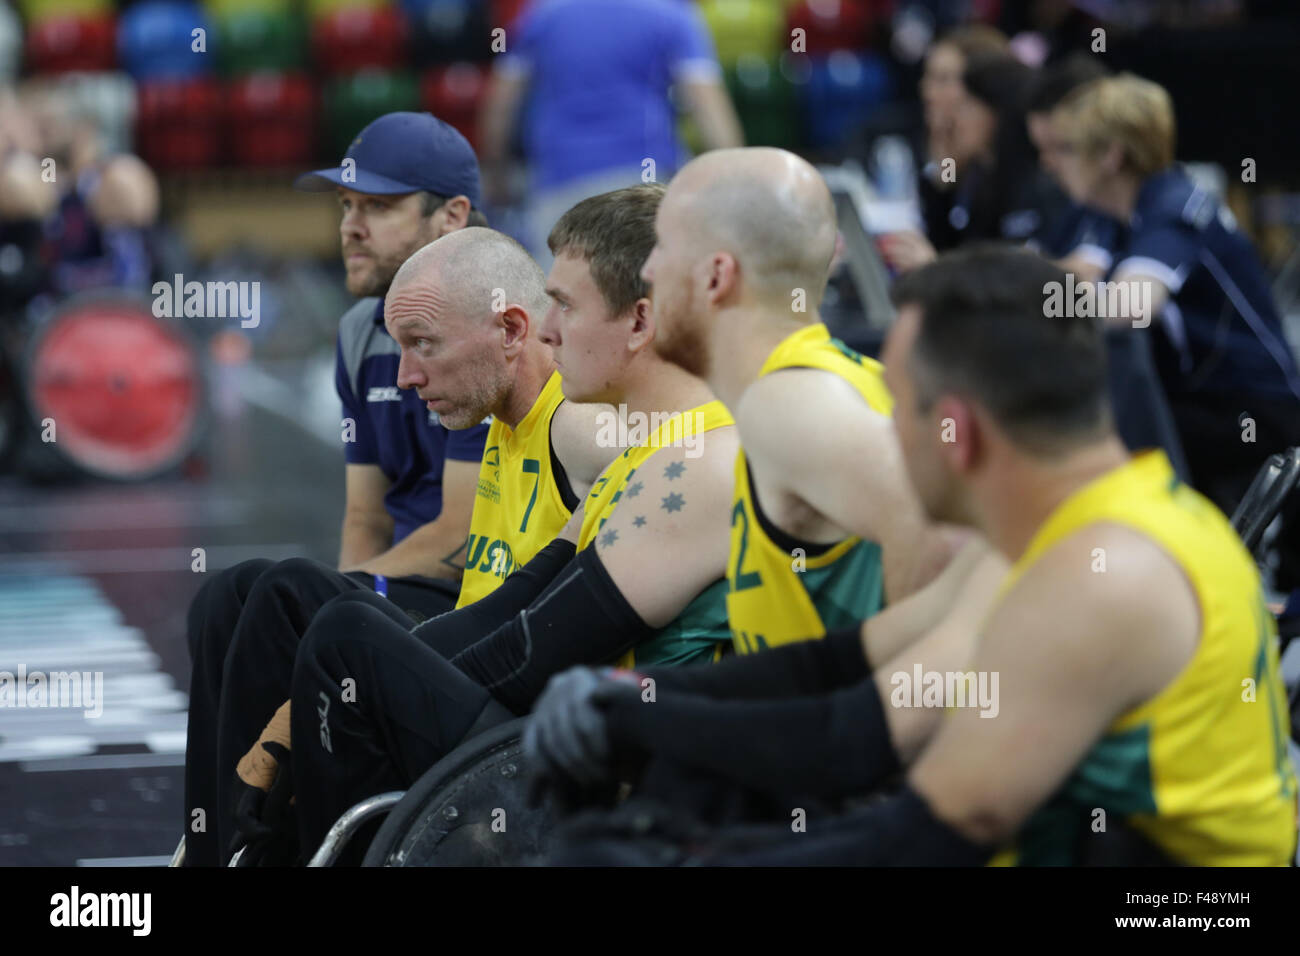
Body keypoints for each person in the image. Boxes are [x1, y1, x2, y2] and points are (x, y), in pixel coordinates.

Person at [531, 246, 1299, 867]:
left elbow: (918, 833)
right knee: (694, 783)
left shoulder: (1101, 578)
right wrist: (634, 701)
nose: (883, 432)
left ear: (954, 432)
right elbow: (839, 675)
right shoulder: (1072, 529)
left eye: (896, 406)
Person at [182, 114, 614, 866]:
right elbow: (364, 516)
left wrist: (352, 624)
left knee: (325, 621)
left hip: (504, 665)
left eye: (376, 206)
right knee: (246, 596)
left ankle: (277, 844)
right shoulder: (382, 340)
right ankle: (220, 843)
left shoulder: (551, 401)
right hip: (473, 626)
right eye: (346, 206)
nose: (350, 226)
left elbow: (490, 569)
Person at [276, 183, 740, 863]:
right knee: (342, 634)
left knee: (348, 638)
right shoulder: (651, 449)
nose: (548, 331)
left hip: (644, 781)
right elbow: (526, 602)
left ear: (639, 323)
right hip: (606, 741)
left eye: (566, 306)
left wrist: (381, 690)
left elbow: (531, 655)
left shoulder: (691, 463)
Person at [641, 146, 958, 655]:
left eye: (661, 246)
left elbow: (943, 536)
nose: (649, 269)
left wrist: (877, 711)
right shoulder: (823, 379)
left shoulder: (786, 400)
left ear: (716, 276)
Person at [1050, 73, 1300, 590]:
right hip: (1202, 401)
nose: (1054, 161)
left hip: (1257, 413)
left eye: (1069, 148)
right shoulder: (1118, 210)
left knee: (1083, 442)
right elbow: (1072, 275)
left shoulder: (1173, 207)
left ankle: (1143, 596)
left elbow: (1128, 308)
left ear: (1112, 156)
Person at [478, 0, 743, 267]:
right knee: (645, 297)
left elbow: (502, 102)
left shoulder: (543, 14)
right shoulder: (671, 15)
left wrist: (496, 173)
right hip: (642, 185)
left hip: (559, 184)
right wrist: (734, 182)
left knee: (562, 299)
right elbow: (708, 107)